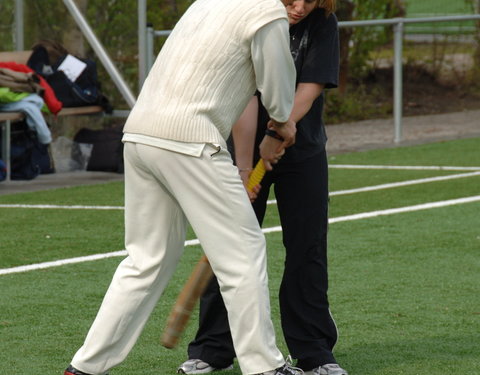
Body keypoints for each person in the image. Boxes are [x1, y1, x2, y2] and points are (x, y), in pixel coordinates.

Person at [63, 1, 303, 375]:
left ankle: (84, 367)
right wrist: (281, 124)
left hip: (140, 134)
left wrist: (277, 123)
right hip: (191, 140)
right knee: (243, 252)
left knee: (146, 259)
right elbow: (277, 86)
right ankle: (265, 366)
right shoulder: (267, 11)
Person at [178, 1, 348, 375]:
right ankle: (212, 348)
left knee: (307, 247)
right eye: (291, 0)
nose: (300, 8)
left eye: (310, 0)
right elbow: (243, 94)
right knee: (228, 248)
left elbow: (310, 86)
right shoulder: (248, 17)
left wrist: (277, 131)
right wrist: (244, 163)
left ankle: (314, 352)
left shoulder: (323, 23)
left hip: (301, 152)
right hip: (238, 151)